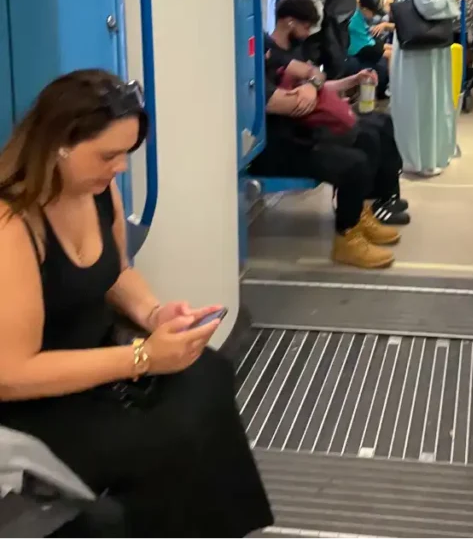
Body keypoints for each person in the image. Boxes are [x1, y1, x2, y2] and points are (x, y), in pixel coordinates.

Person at [0, 70, 272, 539]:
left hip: (100, 370)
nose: (120, 168)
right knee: (169, 442)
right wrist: (142, 358)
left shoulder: (97, 190)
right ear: (58, 144)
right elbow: (12, 375)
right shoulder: (13, 225)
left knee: (208, 377)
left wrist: (151, 314)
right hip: (38, 403)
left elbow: (116, 273)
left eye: (125, 155)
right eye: (109, 155)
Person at [247, 0, 410, 250]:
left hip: (298, 133)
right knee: (358, 156)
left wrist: (314, 84)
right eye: (305, 27)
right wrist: (311, 87)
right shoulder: (264, 63)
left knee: (369, 137)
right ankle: (348, 236)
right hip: (280, 144)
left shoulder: (281, 54)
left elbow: (315, 75)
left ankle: (361, 213)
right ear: (290, 22)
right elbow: (289, 102)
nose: (307, 33)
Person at [390, 0, 466, 176]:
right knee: (426, 99)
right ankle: (426, 157)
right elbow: (428, 8)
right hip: (425, 51)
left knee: (413, 100)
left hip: (410, 47)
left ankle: (412, 153)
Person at [347, 0, 392, 99]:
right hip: (360, 48)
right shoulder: (354, 20)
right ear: (365, 9)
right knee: (390, 54)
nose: (374, 15)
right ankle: (391, 87)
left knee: (392, 48)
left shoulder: (360, 16)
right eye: (373, 12)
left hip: (367, 42)